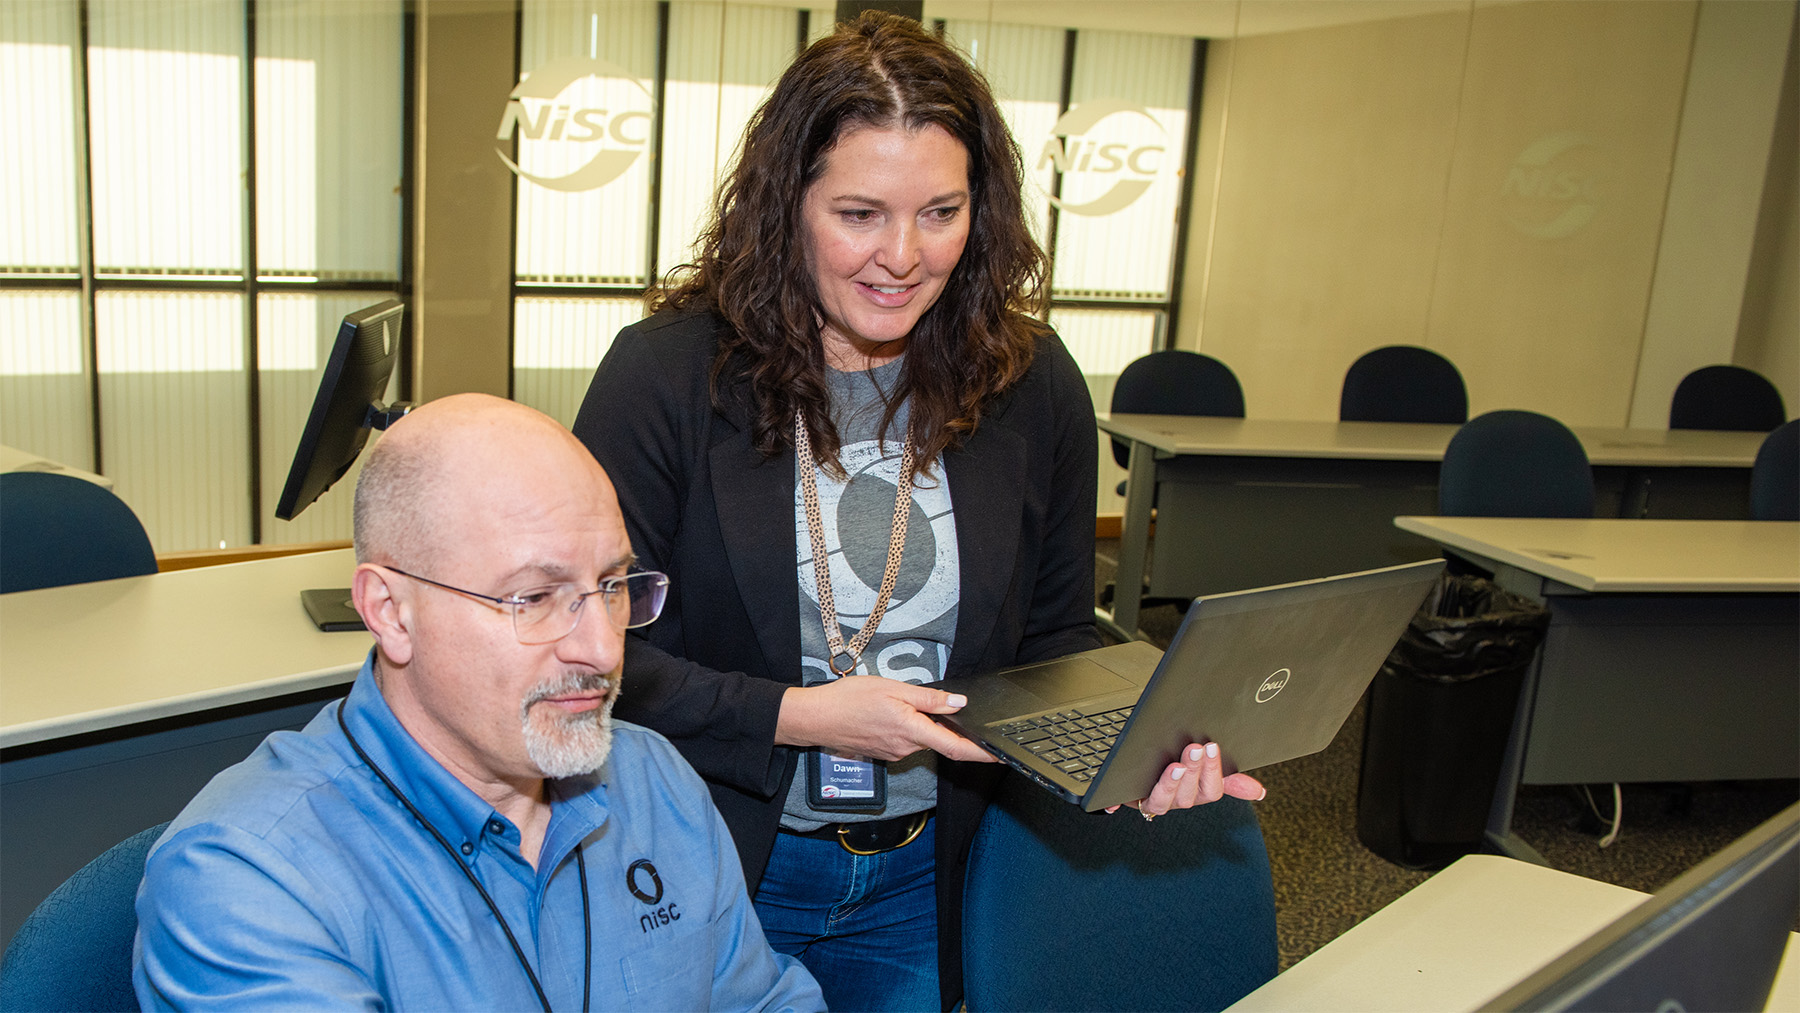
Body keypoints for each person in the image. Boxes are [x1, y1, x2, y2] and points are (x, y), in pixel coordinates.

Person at [572, 12, 1264, 1012]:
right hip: (713, 872)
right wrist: (799, 715)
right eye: (860, 213)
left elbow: (1059, 637)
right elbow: (589, 653)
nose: (903, 255)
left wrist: (1133, 751)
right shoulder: (668, 375)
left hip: (928, 876)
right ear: (786, 206)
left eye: (940, 212)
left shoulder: (1031, 383)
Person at [133, 394, 823, 1012]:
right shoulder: (248, 878)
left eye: (613, 587)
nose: (603, 650)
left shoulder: (655, 780)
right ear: (391, 612)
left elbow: (764, 1000)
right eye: (533, 597)